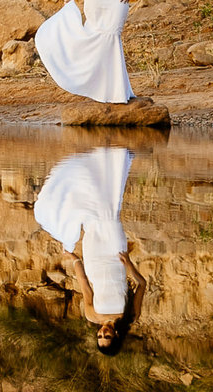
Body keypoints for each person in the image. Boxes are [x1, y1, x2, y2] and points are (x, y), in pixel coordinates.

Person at [32, 143, 146, 352]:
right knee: (110, 214)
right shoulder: (131, 316)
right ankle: (116, 159)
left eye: (100, 336)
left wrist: (74, 258)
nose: (102, 332)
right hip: (116, 255)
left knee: (92, 219)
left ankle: (95, 166)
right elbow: (142, 284)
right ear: (116, 336)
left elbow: (84, 283)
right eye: (107, 336)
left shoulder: (92, 315)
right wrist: (129, 264)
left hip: (93, 257)